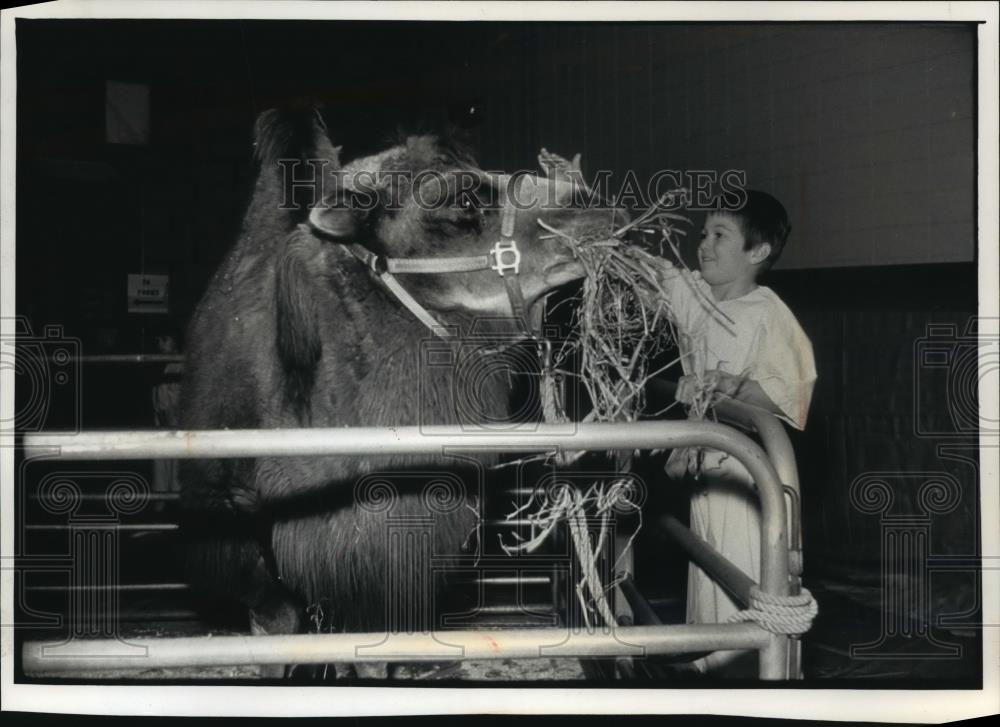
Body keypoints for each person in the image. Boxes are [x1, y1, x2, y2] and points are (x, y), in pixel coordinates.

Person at [652, 190, 817, 675]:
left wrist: (733, 387)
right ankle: (711, 671)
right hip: (705, 473)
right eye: (704, 233)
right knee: (708, 578)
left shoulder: (768, 313)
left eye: (720, 235)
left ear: (757, 253)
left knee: (749, 587)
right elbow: (638, 265)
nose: (704, 244)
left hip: (748, 482)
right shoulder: (695, 295)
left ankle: (750, 678)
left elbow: (790, 395)